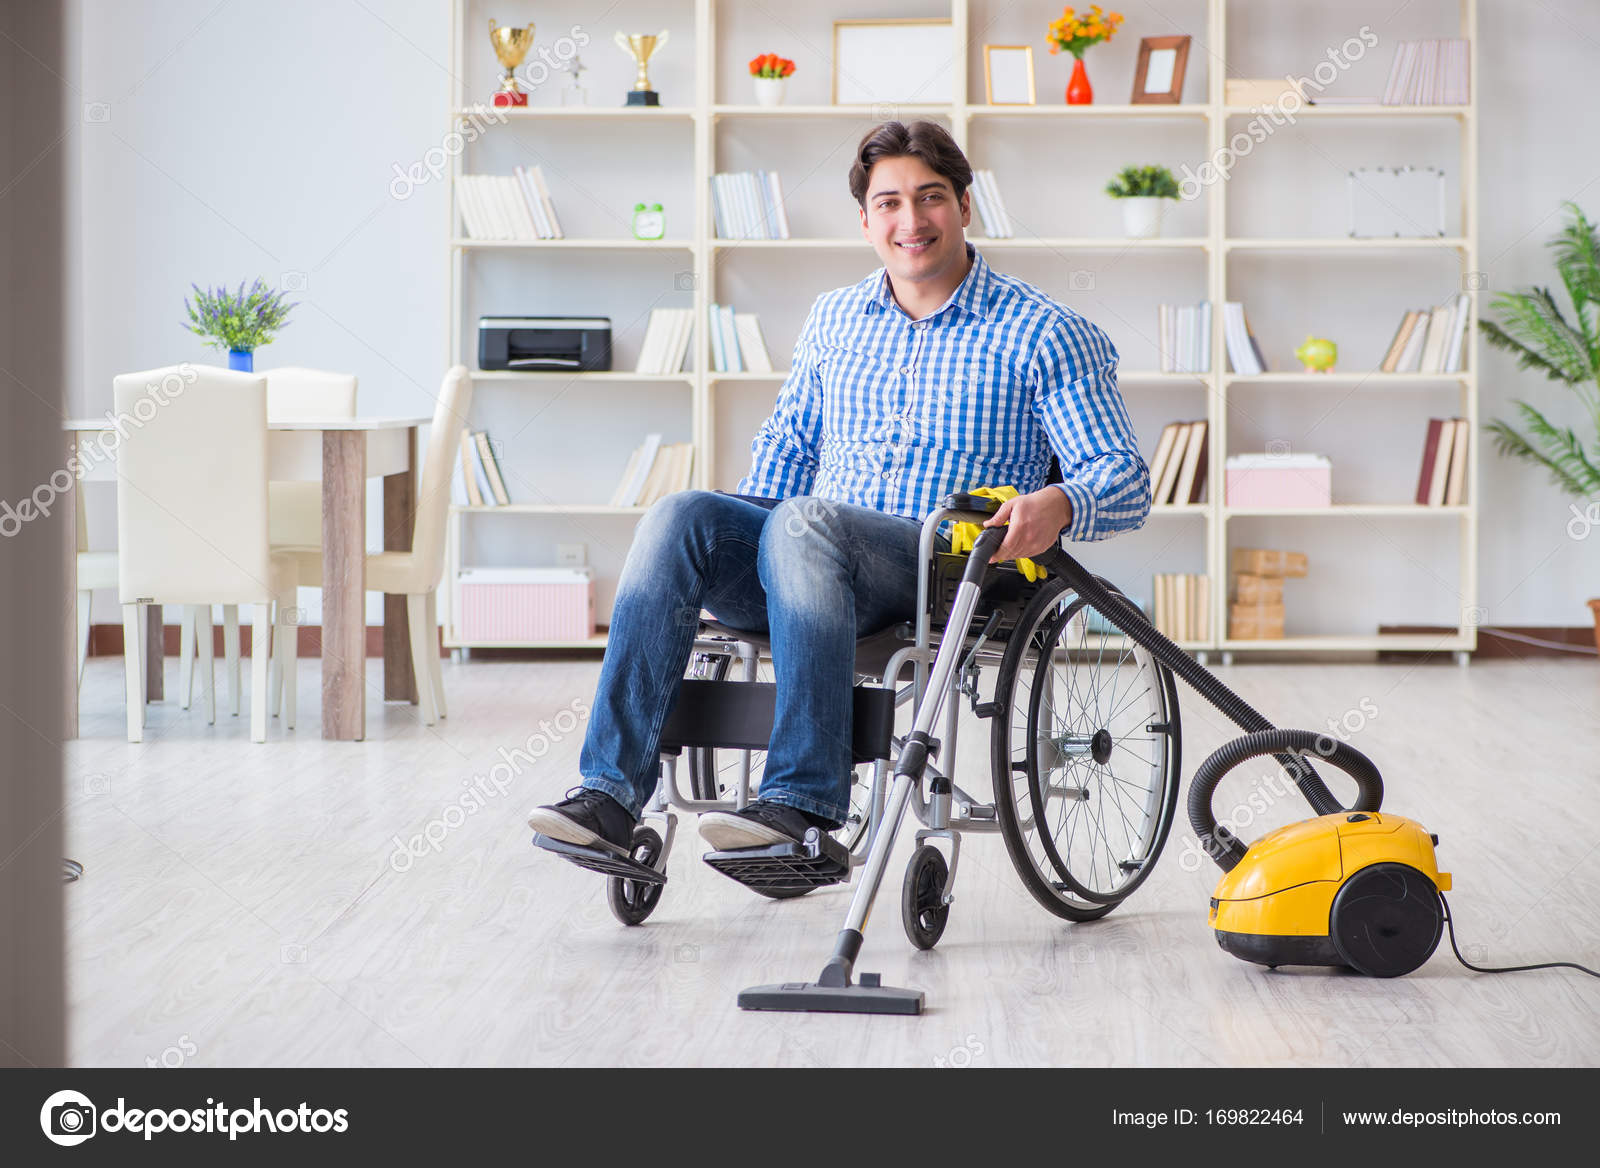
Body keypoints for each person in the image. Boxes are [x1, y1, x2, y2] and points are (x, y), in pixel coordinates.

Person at [527, 119, 1150, 860]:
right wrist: (734, 530)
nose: (910, 221)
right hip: (803, 563)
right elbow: (788, 449)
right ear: (864, 220)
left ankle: (799, 802)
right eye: (888, 203)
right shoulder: (834, 318)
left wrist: (1063, 502)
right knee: (682, 513)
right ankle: (608, 794)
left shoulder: (1044, 333)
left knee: (803, 523)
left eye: (930, 198)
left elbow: (1124, 477)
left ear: (965, 205)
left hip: (934, 574)